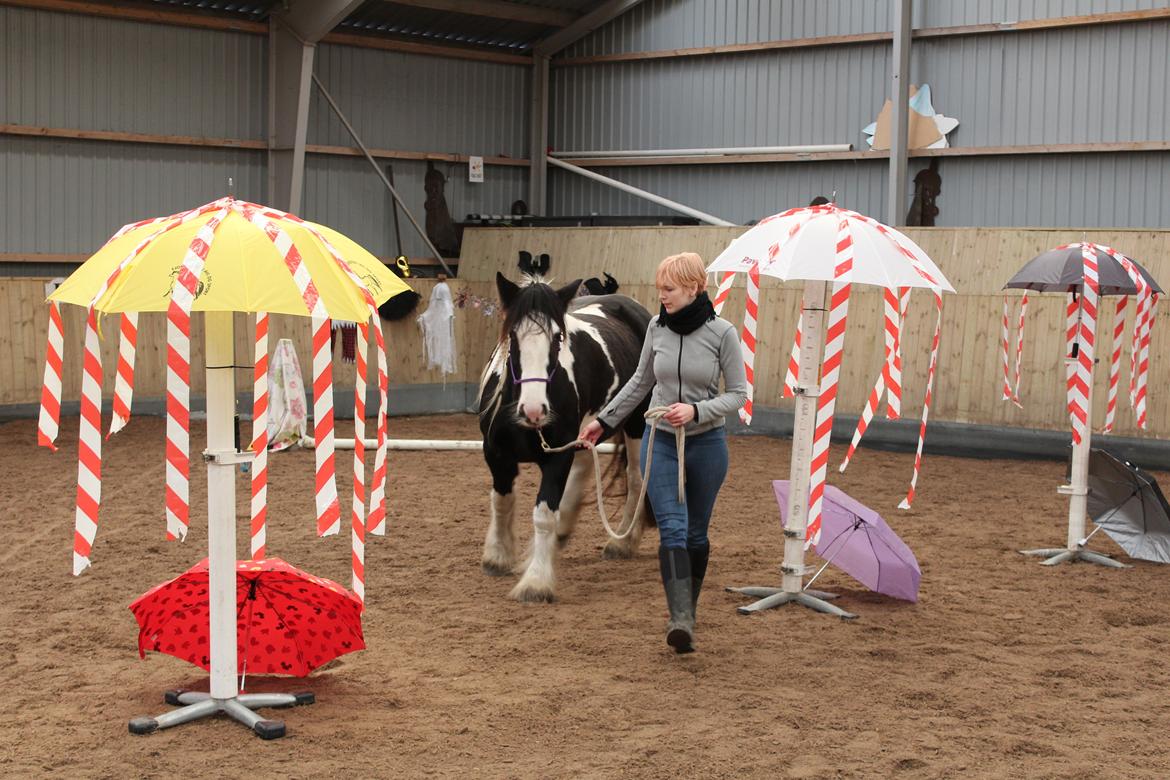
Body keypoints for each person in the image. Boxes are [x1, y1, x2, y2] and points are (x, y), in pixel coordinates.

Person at [579, 252, 747, 654]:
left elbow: (739, 395)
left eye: (669, 289)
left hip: (707, 442)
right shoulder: (657, 327)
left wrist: (697, 410)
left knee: (695, 533)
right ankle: (681, 619)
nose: (662, 297)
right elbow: (640, 382)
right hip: (660, 439)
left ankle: (688, 608)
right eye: (660, 290)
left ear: (693, 288)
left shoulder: (723, 334)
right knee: (672, 526)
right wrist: (605, 421)